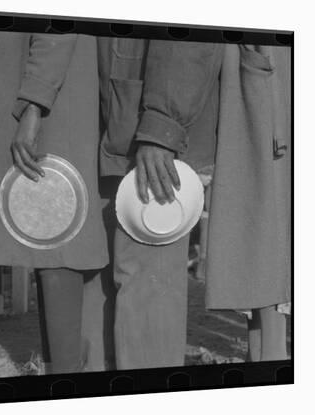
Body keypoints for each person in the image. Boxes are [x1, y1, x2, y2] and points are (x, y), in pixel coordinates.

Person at [0, 32, 109, 374]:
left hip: (49, 99)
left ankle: (65, 375)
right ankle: (58, 373)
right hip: (43, 91)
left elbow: (58, 28)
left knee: (59, 236)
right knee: (50, 240)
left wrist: (34, 103)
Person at [97, 38, 222, 369]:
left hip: (150, 132)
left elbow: (186, 33)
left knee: (145, 286)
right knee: (116, 285)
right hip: (119, 118)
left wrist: (161, 128)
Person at [205, 44, 291, 361]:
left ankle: (271, 353)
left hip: (268, 84)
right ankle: (268, 353)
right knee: (263, 224)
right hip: (259, 81)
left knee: (269, 222)